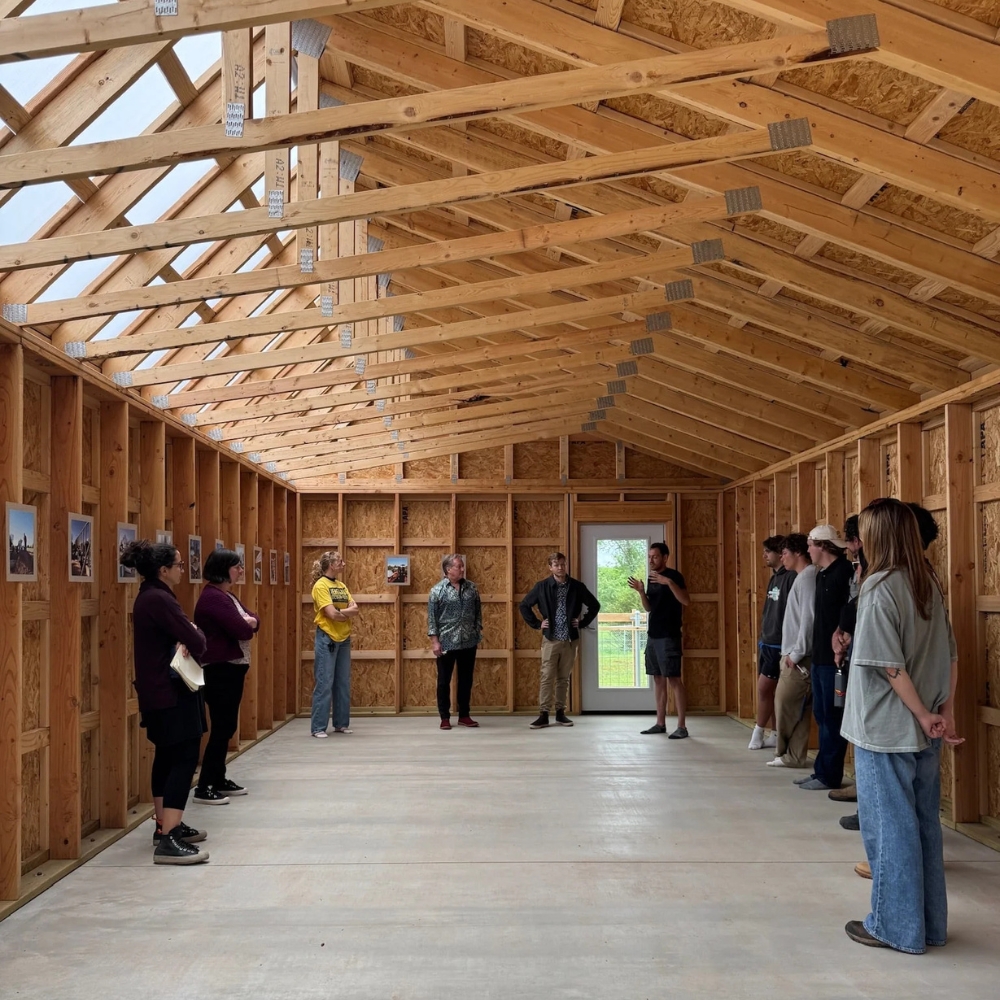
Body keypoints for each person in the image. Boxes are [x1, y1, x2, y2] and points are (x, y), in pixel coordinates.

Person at [842, 498, 962, 953]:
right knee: (924, 826)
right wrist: (942, 712)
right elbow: (952, 656)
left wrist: (921, 713)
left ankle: (894, 926)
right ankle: (929, 925)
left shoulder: (879, 587)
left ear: (875, 538)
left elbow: (888, 666)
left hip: (886, 729)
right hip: (925, 729)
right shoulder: (927, 581)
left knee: (888, 829)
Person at [121, 540, 209, 865]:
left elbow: (182, 635)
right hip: (170, 694)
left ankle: (164, 825)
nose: (183, 569)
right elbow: (197, 639)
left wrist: (184, 636)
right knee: (185, 757)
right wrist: (190, 634)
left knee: (166, 756)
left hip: (156, 693)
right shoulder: (160, 599)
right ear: (163, 570)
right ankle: (169, 838)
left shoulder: (148, 596)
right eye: (179, 564)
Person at [193, 548, 259, 804]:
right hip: (220, 668)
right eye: (236, 566)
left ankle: (218, 778)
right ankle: (205, 785)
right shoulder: (213, 598)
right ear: (223, 569)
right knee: (223, 726)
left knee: (227, 725)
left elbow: (255, 618)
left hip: (232, 668)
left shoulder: (226, 595)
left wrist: (250, 621)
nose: (240, 570)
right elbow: (243, 628)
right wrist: (248, 622)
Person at [795, 524, 853, 790]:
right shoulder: (821, 575)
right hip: (819, 658)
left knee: (832, 717)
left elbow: (850, 613)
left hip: (835, 661)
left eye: (810, 544)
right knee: (821, 714)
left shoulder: (844, 572)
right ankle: (821, 771)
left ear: (823, 546)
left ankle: (830, 775)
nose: (807, 549)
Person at [519, 552, 600, 729]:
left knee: (563, 678)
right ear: (550, 567)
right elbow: (524, 605)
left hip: (570, 640)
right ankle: (544, 714)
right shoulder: (542, 587)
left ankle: (561, 713)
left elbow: (595, 605)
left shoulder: (577, 587)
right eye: (556, 565)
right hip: (551, 639)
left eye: (563, 564)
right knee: (547, 676)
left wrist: (583, 622)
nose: (560, 568)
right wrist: (538, 624)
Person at [628, 542, 690, 739]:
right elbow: (649, 608)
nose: (651, 560)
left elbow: (686, 601)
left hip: (669, 636)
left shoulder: (674, 576)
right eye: (649, 557)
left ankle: (682, 726)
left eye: (655, 557)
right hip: (653, 635)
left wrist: (669, 583)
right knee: (657, 678)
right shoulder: (651, 578)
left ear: (665, 557)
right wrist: (641, 591)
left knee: (674, 679)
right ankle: (660, 723)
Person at [768, 533, 816, 769]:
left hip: (798, 657)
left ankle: (784, 752)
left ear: (798, 553)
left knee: (785, 703)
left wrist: (796, 654)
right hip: (792, 652)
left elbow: (809, 619)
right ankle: (793, 756)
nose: (782, 557)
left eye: (785, 553)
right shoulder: (800, 578)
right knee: (796, 708)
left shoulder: (807, 578)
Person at [749, 535, 795, 750]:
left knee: (764, 688)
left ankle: (758, 730)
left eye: (768, 552)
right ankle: (775, 733)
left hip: (780, 643)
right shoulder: (774, 577)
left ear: (779, 553)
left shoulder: (790, 577)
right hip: (767, 641)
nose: (764, 556)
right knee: (770, 690)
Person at [428, 554, 482, 730]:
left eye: (462, 566)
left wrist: (477, 631)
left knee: (466, 680)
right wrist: (435, 642)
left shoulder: (471, 588)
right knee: (444, 680)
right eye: (458, 566)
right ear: (448, 569)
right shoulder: (437, 591)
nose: (462, 569)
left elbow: (478, 612)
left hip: (468, 641)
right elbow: (432, 619)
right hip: (446, 642)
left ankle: (464, 715)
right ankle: (444, 717)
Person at [310, 551, 359, 738]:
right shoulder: (320, 586)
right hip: (327, 638)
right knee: (324, 681)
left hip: (344, 637)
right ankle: (318, 727)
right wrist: (346, 612)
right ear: (331, 564)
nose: (343, 564)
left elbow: (355, 608)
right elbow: (331, 614)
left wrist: (342, 612)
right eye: (340, 561)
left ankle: (341, 723)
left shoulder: (341, 585)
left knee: (342, 682)